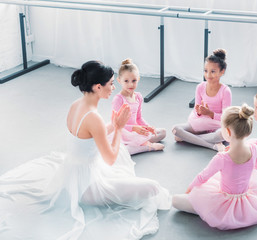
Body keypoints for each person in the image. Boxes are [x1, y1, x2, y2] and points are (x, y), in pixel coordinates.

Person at [0, 61, 171, 240]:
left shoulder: (76, 104)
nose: (114, 87)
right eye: (111, 83)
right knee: (153, 188)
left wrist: (113, 125)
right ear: (98, 87)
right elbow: (110, 159)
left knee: (121, 153)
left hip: (71, 174)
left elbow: (87, 137)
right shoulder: (93, 117)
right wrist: (119, 128)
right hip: (88, 186)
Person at [172, 104, 257, 230]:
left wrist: (189, 190)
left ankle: (204, 209)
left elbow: (202, 177)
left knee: (175, 200)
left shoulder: (222, 158)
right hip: (246, 199)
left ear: (228, 132)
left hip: (224, 203)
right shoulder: (254, 149)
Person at [172, 49, 232, 151]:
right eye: (206, 71)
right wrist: (199, 112)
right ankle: (212, 145)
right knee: (175, 130)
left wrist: (210, 113)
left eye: (213, 71)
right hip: (201, 122)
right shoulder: (200, 87)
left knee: (221, 134)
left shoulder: (225, 91)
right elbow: (196, 111)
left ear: (222, 72)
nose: (208, 75)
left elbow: (226, 118)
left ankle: (188, 138)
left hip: (217, 124)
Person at [112, 59, 166, 155]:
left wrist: (147, 127)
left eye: (134, 80)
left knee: (162, 132)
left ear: (138, 79)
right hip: (124, 132)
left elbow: (139, 118)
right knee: (122, 151)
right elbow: (116, 124)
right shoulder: (118, 99)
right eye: (126, 81)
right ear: (119, 80)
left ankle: (140, 144)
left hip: (136, 131)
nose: (131, 84)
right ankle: (148, 147)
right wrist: (134, 128)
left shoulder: (138, 96)